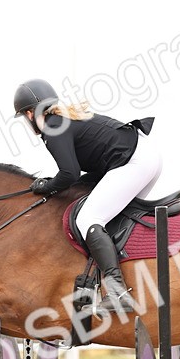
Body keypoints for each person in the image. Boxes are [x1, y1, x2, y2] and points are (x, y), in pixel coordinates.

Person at [13, 78, 161, 315]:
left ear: (30, 114)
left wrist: (44, 186)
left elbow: (69, 174)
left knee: (87, 218)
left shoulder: (53, 126)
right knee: (110, 218)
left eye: (24, 117)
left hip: (135, 162)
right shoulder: (64, 119)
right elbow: (80, 174)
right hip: (144, 157)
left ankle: (117, 292)